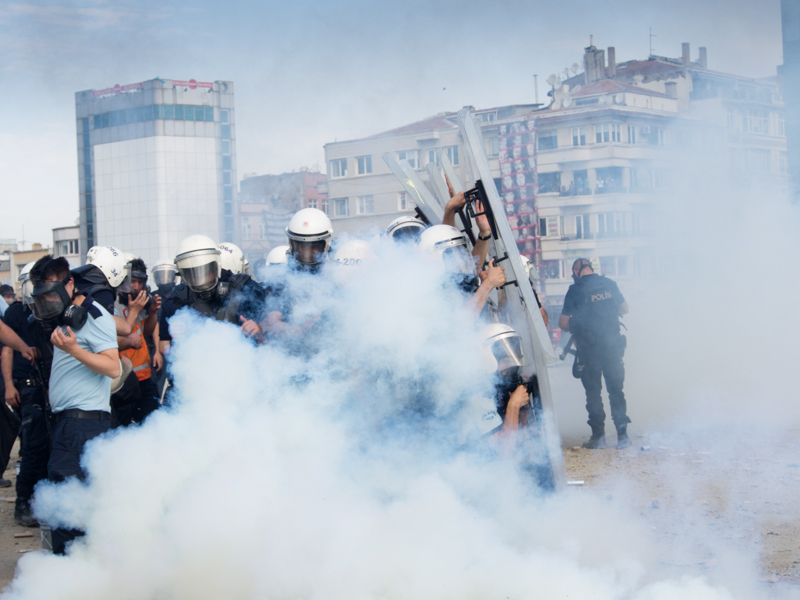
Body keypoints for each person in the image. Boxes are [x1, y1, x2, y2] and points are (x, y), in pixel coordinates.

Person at [29, 255, 119, 554]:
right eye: (42, 296)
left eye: (52, 293)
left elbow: (113, 367)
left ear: (70, 284)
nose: (48, 301)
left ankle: (71, 573)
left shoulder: (92, 315)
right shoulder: (68, 317)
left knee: (67, 511)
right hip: (71, 425)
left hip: (82, 425)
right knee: (72, 508)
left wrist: (73, 349)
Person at [558, 258, 630, 449]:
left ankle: (598, 437)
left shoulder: (575, 290)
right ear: (591, 268)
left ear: (575, 272)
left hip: (589, 352)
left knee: (593, 394)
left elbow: (563, 323)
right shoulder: (609, 284)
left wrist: (578, 324)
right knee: (616, 391)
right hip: (613, 349)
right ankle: (623, 436)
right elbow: (624, 309)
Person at [159, 235, 266, 358]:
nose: (199, 280)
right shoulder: (180, 297)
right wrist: (175, 336)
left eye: (205, 271)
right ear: (183, 274)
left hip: (241, 360)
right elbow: (164, 347)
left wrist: (260, 327)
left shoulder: (241, 286)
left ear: (216, 267)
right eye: (191, 273)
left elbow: (275, 319)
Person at [1, 263, 51, 526]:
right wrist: (9, 385)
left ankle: (44, 498)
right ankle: (23, 501)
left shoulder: (52, 311)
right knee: (32, 445)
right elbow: (7, 348)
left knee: (49, 445)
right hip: (26, 387)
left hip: (49, 386)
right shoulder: (15, 312)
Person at [113, 258, 161, 425]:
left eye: (140, 282)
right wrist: (133, 311)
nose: (136, 287)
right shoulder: (114, 305)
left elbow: (146, 331)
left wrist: (153, 312)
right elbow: (118, 337)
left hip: (145, 377)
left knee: (153, 424)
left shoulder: (138, 303)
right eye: (132, 281)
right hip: (124, 382)